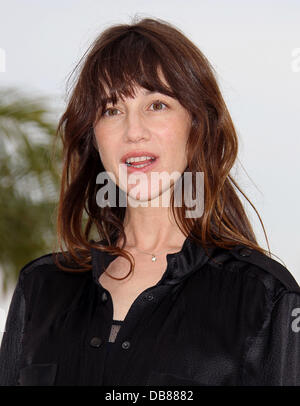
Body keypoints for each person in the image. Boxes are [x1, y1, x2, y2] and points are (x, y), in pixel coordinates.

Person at [0, 16, 300, 387]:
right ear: (94, 138)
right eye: (111, 110)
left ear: (197, 125)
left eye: (156, 104)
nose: (133, 130)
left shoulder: (266, 297)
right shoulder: (40, 287)